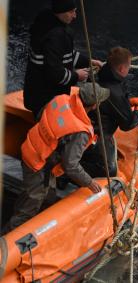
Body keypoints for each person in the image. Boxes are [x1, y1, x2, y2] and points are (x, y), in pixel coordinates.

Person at [3, 82, 110, 233]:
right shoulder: (80, 132)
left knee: (49, 198)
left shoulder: (61, 99)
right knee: (26, 211)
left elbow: (41, 116)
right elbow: (71, 166)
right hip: (38, 166)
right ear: (94, 105)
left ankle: (44, 226)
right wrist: (89, 182)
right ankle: (6, 243)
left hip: (31, 149)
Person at [23, 0, 103, 119]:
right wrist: (77, 76)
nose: (75, 16)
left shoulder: (44, 24)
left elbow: (64, 55)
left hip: (35, 94)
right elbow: (55, 74)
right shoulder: (55, 36)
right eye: (71, 12)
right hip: (46, 99)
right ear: (61, 12)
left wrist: (89, 61)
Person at [81, 46, 138, 178]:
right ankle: (67, 172)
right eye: (128, 66)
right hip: (96, 132)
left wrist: (128, 102)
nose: (129, 68)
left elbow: (108, 103)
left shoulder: (99, 75)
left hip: (88, 122)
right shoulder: (114, 91)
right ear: (121, 69)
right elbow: (127, 124)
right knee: (108, 170)